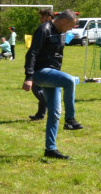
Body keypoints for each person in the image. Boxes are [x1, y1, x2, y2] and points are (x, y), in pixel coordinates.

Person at [22, 9, 83, 160]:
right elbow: (32, 53)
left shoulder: (61, 32)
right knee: (69, 81)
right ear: (63, 21)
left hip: (53, 74)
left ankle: (50, 149)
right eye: (70, 26)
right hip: (40, 73)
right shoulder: (44, 30)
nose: (70, 29)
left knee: (55, 112)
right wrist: (29, 76)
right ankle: (70, 119)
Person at [28, 9, 54, 121]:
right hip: (46, 64)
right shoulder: (50, 29)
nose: (40, 19)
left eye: (42, 17)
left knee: (36, 87)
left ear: (49, 17)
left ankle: (51, 105)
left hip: (44, 65)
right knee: (42, 88)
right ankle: (40, 114)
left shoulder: (46, 29)